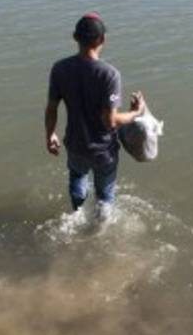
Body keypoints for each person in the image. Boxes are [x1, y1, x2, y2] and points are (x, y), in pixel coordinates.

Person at [44, 13, 145, 216]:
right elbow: (110, 120)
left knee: (77, 179)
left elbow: (51, 107)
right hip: (103, 150)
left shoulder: (60, 69)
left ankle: (76, 214)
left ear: (75, 37)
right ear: (102, 40)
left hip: (75, 144)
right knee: (105, 196)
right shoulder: (109, 74)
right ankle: (99, 231)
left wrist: (50, 135)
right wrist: (135, 113)